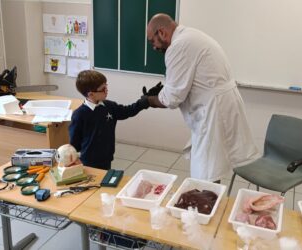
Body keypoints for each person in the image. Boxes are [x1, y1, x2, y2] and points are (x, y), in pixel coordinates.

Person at [146, 13, 259, 182]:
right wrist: (164, 90)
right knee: (211, 165)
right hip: (220, 104)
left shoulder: (178, 46)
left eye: (151, 41)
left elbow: (171, 99)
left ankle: (209, 204)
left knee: (206, 172)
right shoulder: (191, 35)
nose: (154, 47)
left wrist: (149, 100)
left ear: (161, 32)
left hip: (214, 111)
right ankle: (211, 200)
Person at [69, 70, 152, 170]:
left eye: (106, 86)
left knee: (105, 181)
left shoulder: (109, 106)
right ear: (91, 94)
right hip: (88, 160)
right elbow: (74, 141)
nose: (107, 90)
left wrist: (144, 101)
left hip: (106, 157)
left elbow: (127, 111)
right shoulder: (79, 114)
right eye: (103, 89)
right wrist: (74, 158)